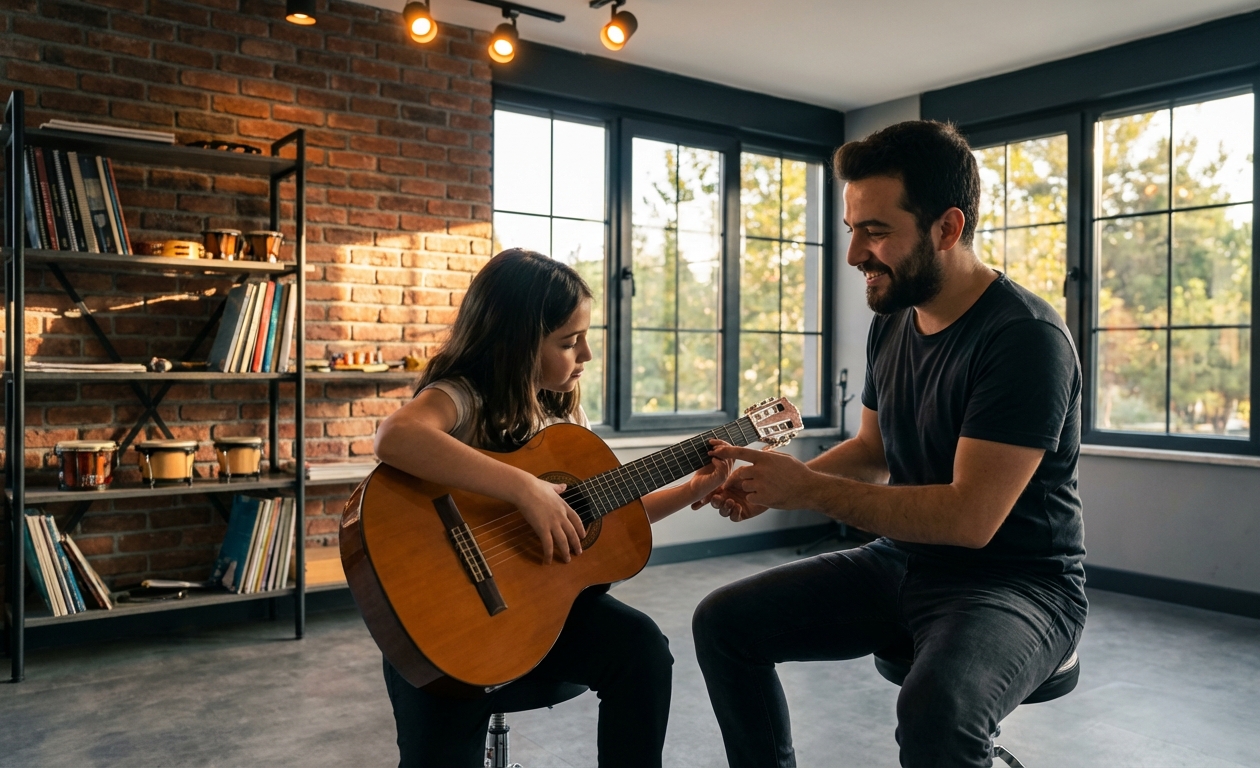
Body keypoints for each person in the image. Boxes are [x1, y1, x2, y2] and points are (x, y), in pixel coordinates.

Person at [692, 121, 1087, 768]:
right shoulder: (894, 321)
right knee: (724, 623)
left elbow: (970, 519)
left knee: (937, 709)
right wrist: (775, 484)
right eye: (852, 228)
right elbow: (873, 450)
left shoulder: (1024, 339)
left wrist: (808, 488)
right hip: (903, 562)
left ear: (947, 229)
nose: (853, 254)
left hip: (1019, 586)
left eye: (875, 232)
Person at [372, 248, 731, 768]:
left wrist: (693, 489)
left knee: (643, 652)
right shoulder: (463, 396)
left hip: (540, 617)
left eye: (584, 338)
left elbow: (598, 513)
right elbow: (395, 436)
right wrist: (524, 489)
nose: (585, 355)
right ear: (516, 343)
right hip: (448, 627)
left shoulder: (561, 415)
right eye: (568, 341)